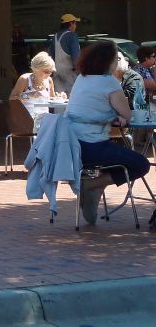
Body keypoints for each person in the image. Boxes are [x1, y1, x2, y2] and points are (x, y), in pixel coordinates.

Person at [64, 41, 150, 225]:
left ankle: (95, 189)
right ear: (109, 61)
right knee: (141, 164)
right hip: (93, 146)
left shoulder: (81, 78)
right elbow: (127, 115)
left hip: (71, 145)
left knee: (115, 158)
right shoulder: (109, 82)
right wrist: (116, 116)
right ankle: (92, 185)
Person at [8, 52, 65, 125]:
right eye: (46, 71)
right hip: (26, 120)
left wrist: (60, 97)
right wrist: (28, 95)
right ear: (36, 69)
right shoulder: (25, 79)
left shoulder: (49, 81)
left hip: (44, 120)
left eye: (51, 72)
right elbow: (12, 99)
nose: (49, 74)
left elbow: (51, 99)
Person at [49, 13, 81, 95]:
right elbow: (76, 56)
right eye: (75, 23)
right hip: (69, 72)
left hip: (57, 72)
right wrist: (78, 71)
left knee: (59, 98)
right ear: (71, 23)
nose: (75, 26)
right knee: (72, 98)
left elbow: (50, 55)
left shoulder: (55, 36)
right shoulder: (72, 36)